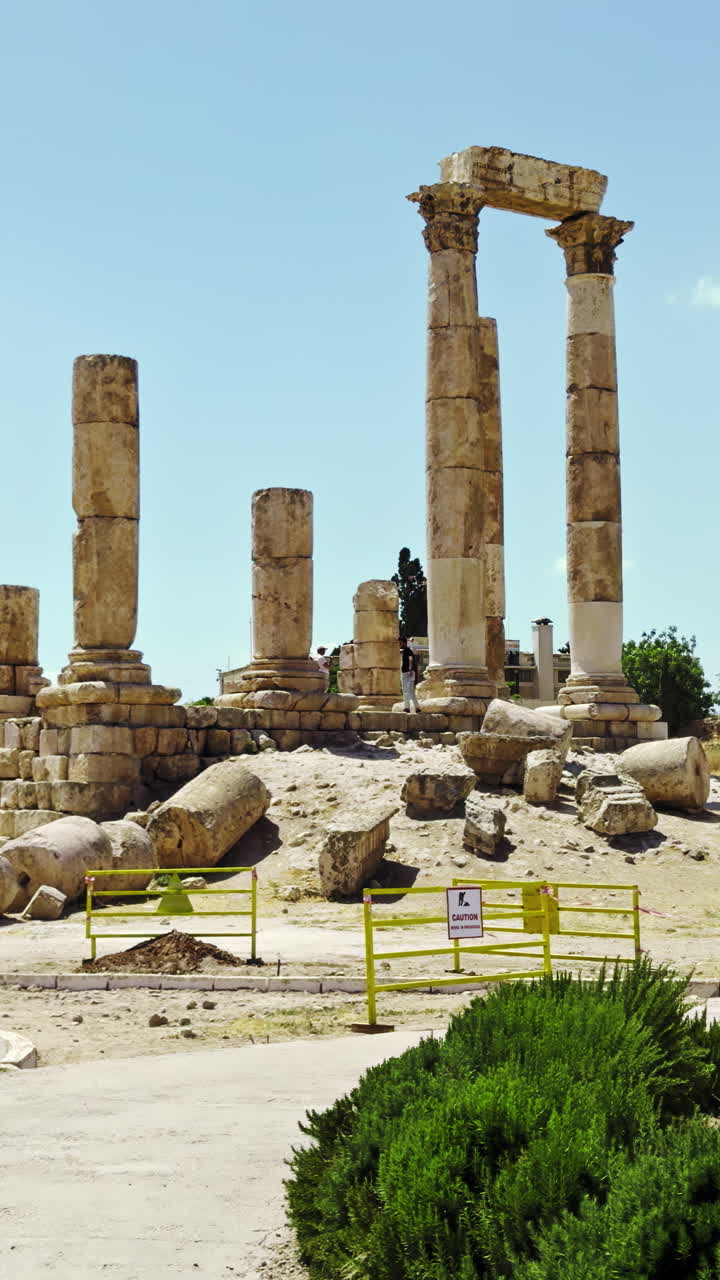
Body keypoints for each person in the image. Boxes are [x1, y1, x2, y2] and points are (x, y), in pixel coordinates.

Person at [399, 636, 419, 712]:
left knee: (406, 691)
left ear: (403, 643)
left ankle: (407, 707)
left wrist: (410, 669)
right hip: (407, 672)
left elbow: (410, 659)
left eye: (400, 643)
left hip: (408, 672)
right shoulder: (404, 650)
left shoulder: (407, 650)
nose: (399, 644)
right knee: (410, 691)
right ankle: (417, 707)